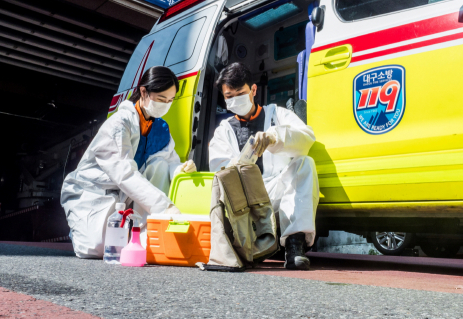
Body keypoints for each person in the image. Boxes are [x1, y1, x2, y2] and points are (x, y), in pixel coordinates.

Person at [61, 66, 196, 259]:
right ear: (143, 91)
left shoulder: (160, 128)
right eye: (160, 99)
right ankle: (78, 229)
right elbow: (124, 173)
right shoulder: (119, 124)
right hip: (93, 191)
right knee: (95, 249)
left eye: (170, 100)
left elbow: (168, 162)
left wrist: (180, 168)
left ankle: (146, 229)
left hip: (123, 194)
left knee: (160, 165)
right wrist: (163, 206)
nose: (166, 105)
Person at [209, 62, 320, 270]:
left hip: (274, 191)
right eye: (228, 96)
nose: (234, 100)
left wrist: (274, 137)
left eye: (239, 93)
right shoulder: (223, 130)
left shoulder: (276, 115)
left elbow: (306, 138)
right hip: (244, 202)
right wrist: (238, 164)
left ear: (253, 90)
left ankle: (294, 245)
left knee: (306, 164)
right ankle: (250, 244)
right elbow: (218, 167)